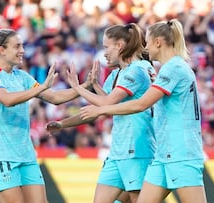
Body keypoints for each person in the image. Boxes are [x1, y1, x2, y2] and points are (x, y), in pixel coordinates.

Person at [80, 19, 208, 203]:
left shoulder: (174, 69)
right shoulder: (168, 69)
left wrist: (102, 109)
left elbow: (140, 104)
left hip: (182, 154)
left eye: (147, 42)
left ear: (158, 42)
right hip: (163, 155)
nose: (145, 48)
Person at [0, 25, 91, 203]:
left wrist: (85, 87)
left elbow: (54, 97)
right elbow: (7, 99)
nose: (22, 51)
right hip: (0, 154)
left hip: (25, 154)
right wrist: (41, 88)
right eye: (17, 46)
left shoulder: (22, 77)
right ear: (2, 50)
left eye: (22, 46)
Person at [46, 23, 156, 203]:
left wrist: (77, 87)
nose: (104, 52)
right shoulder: (116, 74)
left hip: (137, 149)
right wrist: (63, 124)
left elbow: (105, 104)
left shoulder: (137, 70)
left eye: (106, 47)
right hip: (118, 151)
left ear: (119, 46)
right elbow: (98, 110)